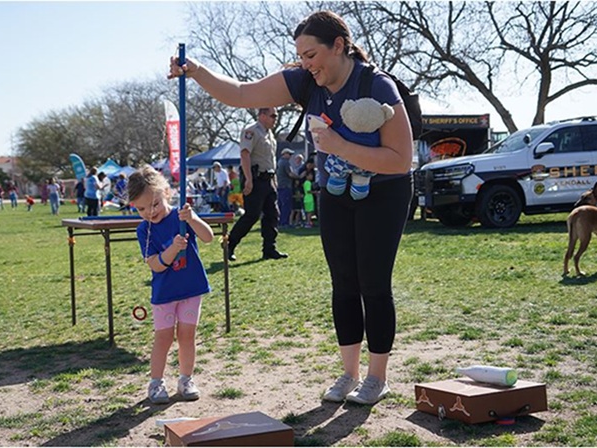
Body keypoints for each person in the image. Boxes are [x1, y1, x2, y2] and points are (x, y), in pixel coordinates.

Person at [168, 10, 413, 404]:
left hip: (383, 191)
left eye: (311, 55)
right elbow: (242, 94)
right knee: (344, 283)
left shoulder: (376, 84)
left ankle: (376, 378)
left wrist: (340, 147)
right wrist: (197, 72)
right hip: (335, 192)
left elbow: (401, 160)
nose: (305, 64)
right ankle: (349, 374)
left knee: (373, 283)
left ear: (339, 46)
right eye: (300, 56)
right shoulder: (304, 82)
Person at [127, 165, 214, 404]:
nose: (149, 212)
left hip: (191, 289)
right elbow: (155, 265)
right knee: (163, 338)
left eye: (154, 204)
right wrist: (173, 249)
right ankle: (156, 382)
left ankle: (186, 379)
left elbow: (208, 237)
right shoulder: (144, 230)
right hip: (165, 294)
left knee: (187, 336)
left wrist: (193, 219)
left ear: (166, 193)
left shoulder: (182, 216)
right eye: (141, 208)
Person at [225, 108, 287, 261]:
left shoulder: (269, 134)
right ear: (262, 115)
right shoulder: (251, 131)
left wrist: (274, 180)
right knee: (252, 215)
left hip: (269, 179)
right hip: (255, 178)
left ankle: (269, 249)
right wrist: (248, 179)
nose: (275, 119)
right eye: (273, 116)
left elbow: (270, 159)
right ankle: (229, 244)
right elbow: (245, 154)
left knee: (272, 214)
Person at [275, 148, 297, 228]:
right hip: (286, 186)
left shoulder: (279, 162)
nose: (290, 156)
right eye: (289, 154)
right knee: (286, 205)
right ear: (284, 154)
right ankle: (284, 223)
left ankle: (280, 222)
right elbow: (290, 174)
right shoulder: (285, 162)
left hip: (279, 186)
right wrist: (299, 177)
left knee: (280, 205)